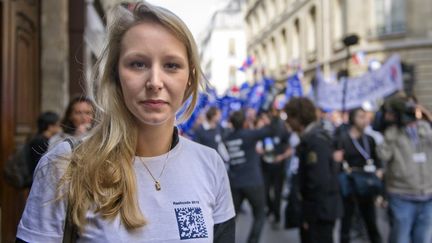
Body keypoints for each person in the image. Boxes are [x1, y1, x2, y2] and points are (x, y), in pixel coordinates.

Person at [16, 2, 235, 242]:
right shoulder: (65, 166)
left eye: (171, 65)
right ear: (115, 76)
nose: (155, 82)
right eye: (138, 64)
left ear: (189, 80)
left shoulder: (210, 165)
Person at [284, 97, 342, 243]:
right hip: (317, 213)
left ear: (298, 117)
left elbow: (318, 182)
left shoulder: (315, 141)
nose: (287, 122)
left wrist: (308, 216)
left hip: (319, 214)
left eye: (289, 117)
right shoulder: (309, 139)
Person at [377, 96, 432, 243]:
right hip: (402, 196)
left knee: (423, 239)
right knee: (400, 238)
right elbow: (382, 154)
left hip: (427, 195)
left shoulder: (424, 128)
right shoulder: (392, 133)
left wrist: (427, 116)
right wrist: (390, 129)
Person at [224, 110, 275, 243]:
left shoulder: (227, 137)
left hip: (235, 182)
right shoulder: (249, 135)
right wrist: (267, 118)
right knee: (259, 214)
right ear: (245, 122)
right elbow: (269, 130)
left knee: (230, 217)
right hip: (253, 182)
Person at [335, 108, 382, 243]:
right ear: (352, 119)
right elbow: (337, 163)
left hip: (366, 184)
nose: (365, 120)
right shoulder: (343, 139)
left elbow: (377, 160)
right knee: (346, 223)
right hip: (350, 185)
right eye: (361, 117)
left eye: (365, 117)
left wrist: (379, 171)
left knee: (371, 223)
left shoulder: (370, 139)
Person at [256, 110, 292, 227]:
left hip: (278, 167)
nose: (263, 120)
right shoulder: (263, 131)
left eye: (264, 118)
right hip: (266, 166)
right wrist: (261, 151)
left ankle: (277, 216)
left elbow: (290, 148)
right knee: (264, 192)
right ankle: (270, 209)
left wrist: (281, 157)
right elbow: (258, 145)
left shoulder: (282, 129)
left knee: (277, 192)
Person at [28, 111, 61, 185]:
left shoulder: (39, 138)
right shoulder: (41, 141)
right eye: (58, 125)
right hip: (38, 179)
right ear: (50, 126)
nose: (60, 127)